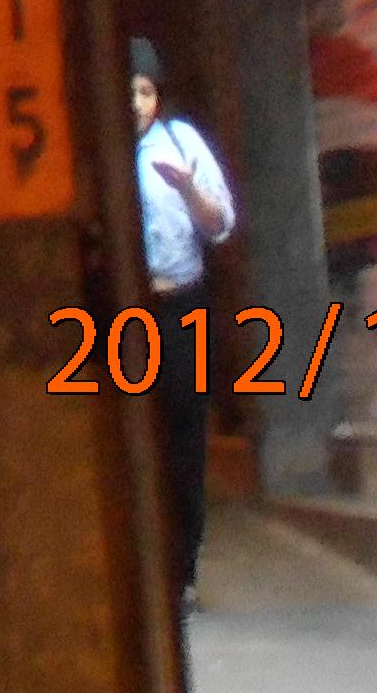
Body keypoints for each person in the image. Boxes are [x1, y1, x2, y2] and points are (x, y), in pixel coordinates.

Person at [129, 40, 238, 612]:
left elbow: (221, 224)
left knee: (184, 436)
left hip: (183, 306)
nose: (137, 104)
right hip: (126, 315)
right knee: (129, 434)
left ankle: (183, 569)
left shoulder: (181, 144)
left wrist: (187, 188)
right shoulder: (99, 150)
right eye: (129, 91)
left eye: (146, 92)